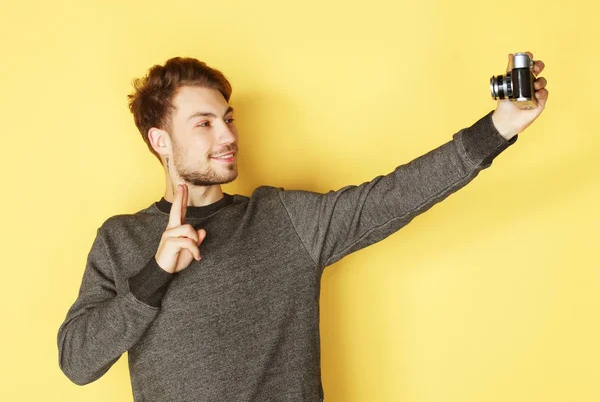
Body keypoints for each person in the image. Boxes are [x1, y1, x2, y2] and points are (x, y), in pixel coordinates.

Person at [57, 54, 548, 401]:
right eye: (204, 123)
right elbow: (78, 362)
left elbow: (394, 195)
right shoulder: (121, 239)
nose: (229, 135)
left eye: (228, 119)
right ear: (160, 140)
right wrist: (155, 273)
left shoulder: (283, 220)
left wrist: (499, 126)